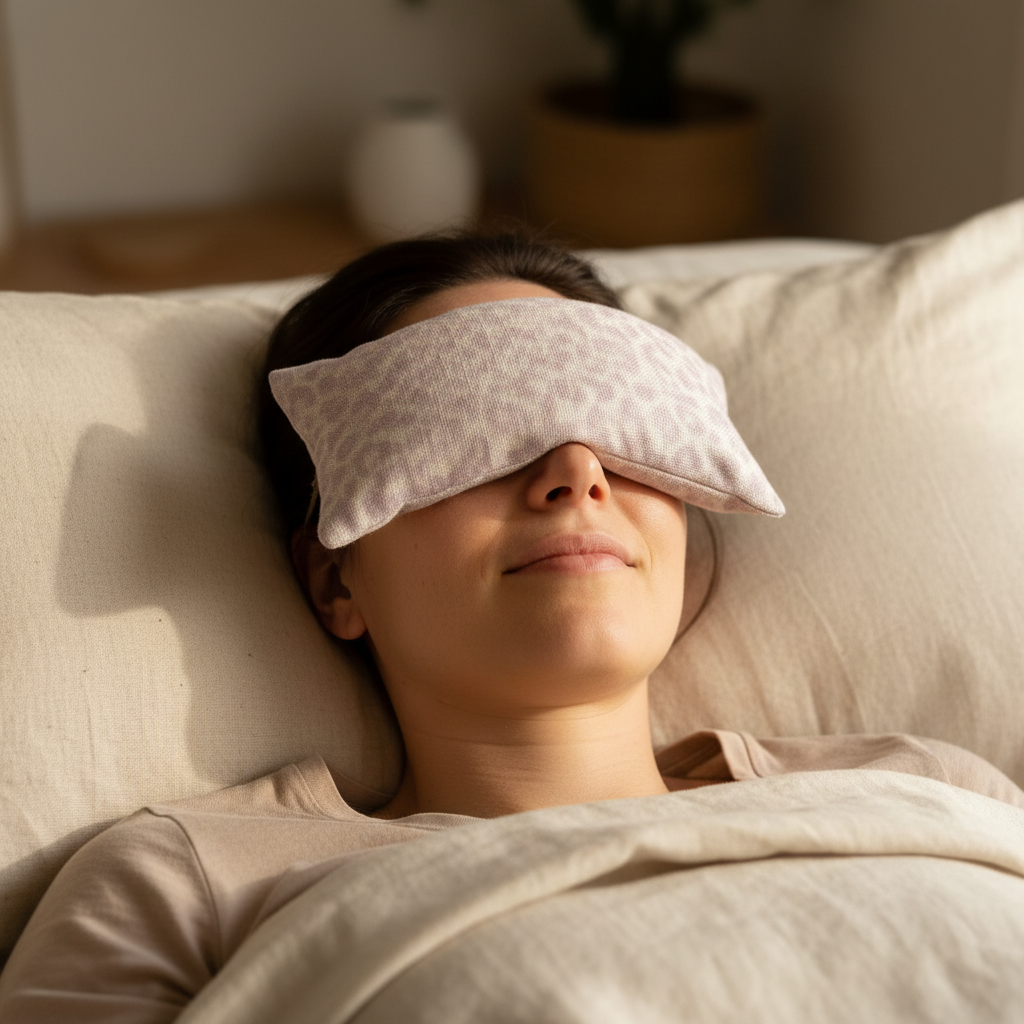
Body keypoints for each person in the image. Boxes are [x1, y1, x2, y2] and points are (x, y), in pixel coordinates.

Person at [1, 230, 1021, 1021]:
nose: (575, 472)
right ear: (334, 579)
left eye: (620, 432)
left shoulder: (920, 791)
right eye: (478, 431)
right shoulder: (190, 885)